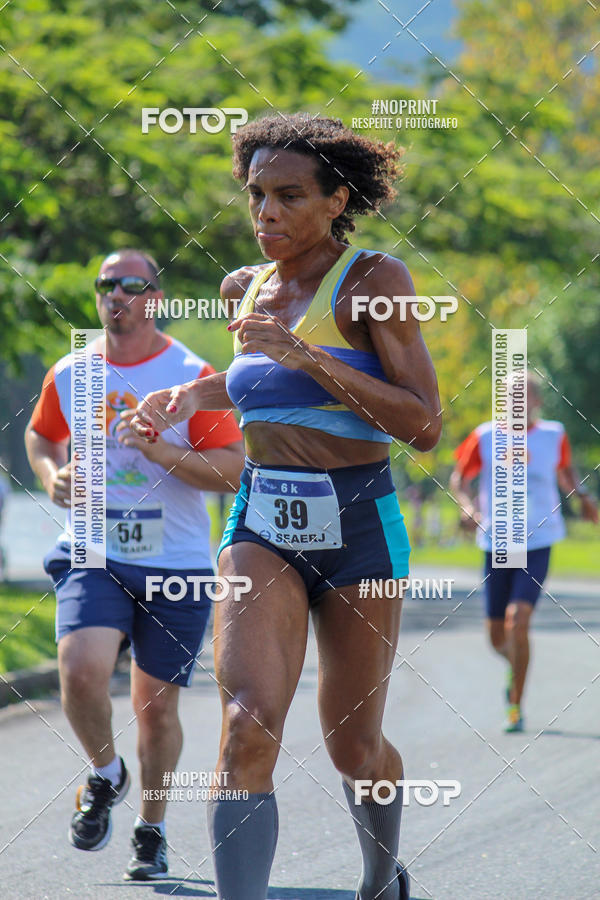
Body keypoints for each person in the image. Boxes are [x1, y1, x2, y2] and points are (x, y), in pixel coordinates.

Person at [131, 114, 441, 900]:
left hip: (361, 524)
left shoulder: (377, 283)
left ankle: (381, 873)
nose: (265, 213)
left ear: (337, 199)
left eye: (288, 196)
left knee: (352, 744)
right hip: (261, 522)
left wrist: (302, 350)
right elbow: (259, 383)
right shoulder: (247, 287)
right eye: (256, 195)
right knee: (246, 728)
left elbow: (423, 423)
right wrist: (188, 394)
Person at [25, 249, 243, 880]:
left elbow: (232, 466)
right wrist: (51, 474)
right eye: (105, 286)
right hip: (93, 550)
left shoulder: (189, 373)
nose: (115, 295)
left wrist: (162, 455)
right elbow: (42, 435)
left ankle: (152, 828)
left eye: (130, 285)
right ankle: (104, 774)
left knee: (157, 708)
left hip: (175, 563)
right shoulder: (71, 371)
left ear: (155, 298)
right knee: (82, 671)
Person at [450, 371, 598, 732]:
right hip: (497, 542)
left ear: (536, 401)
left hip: (539, 540)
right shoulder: (484, 437)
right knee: (497, 636)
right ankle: (515, 665)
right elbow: (459, 480)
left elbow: (566, 474)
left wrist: (582, 498)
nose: (518, 402)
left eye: (525, 395)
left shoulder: (554, 435)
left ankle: (515, 705)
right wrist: (467, 507)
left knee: (519, 619)